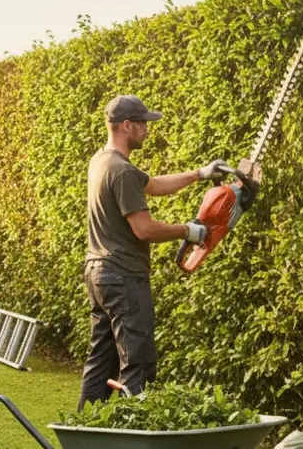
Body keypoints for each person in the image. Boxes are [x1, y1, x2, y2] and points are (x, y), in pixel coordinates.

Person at [78, 94, 228, 410]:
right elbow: (143, 229)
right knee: (138, 362)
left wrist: (201, 173)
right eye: (143, 123)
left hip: (98, 273)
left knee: (101, 360)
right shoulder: (122, 171)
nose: (148, 129)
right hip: (122, 277)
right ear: (127, 125)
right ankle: (132, 443)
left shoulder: (101, 161)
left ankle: (84, 435)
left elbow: (155, 185)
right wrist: (189, 230)